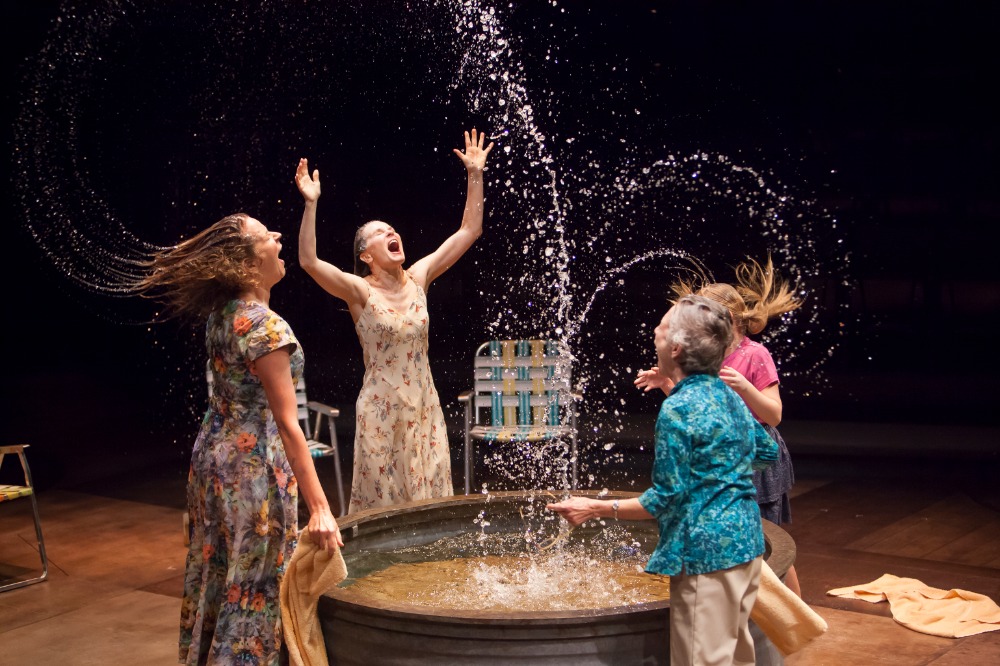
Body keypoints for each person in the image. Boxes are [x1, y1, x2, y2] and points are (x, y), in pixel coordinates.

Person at [136, 212, 342, 665]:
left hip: (215, 459)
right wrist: (322, 508)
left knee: (224, 574)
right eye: (266, 235)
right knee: (256, 583)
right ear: (246, 263)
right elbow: (290, 425)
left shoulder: (222, 316)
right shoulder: (267, 329)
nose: (277, 237)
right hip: (253, 472)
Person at [548, 295, 778, 666]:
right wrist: (718, 474)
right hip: (746, 545)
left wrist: (594, 508)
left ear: (675, 347)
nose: (653, 336)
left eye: (658, 331)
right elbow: (766, 452)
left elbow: (665, 500)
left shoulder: (679, 410)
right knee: (736, 660)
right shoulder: (725, 394)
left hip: (707, 557)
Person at [295, 128, 494, 513]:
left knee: (430, 503)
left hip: (423, 407)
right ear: (366, 255)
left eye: (392, 229)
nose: (391, 233)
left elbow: (470, 230)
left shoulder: (419, 277)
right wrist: (310, 205)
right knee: (384, 509)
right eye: (380, 234)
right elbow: (309, 262)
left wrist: (475, 173)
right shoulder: (360, 291)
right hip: (381, 412)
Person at [635, 256, 803, 595]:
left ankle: (795, 609)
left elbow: (774, 415)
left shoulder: (755, 355)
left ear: (727, 321)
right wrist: (668, 385)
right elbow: (703, 410)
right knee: (741, 534)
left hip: (753, 449)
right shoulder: (707, 354)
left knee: (764, 533)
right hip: (723, 450)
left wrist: (745, 387)